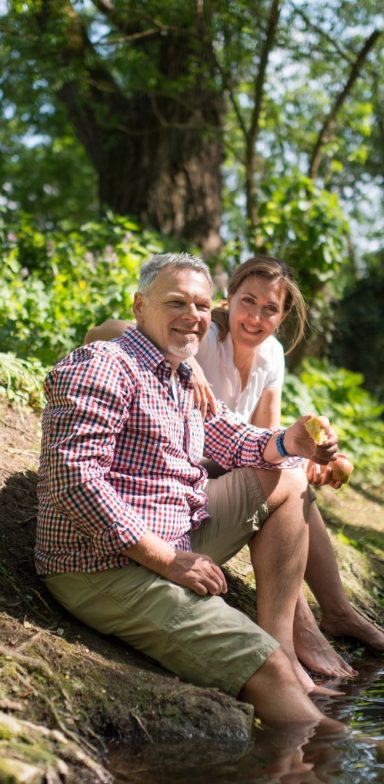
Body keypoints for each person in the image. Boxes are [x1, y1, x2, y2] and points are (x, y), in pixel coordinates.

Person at [36, 252, 343, 730]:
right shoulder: (103, 365)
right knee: (267, 666)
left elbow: (229, 436)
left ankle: (285, 639)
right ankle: (343, 749)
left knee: (287, 477)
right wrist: (167, 560)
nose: (193, 316)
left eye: (201, 305)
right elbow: (75, 480)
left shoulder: (179, 374)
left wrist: (289, 442)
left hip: (173, 529)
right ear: (139, 307)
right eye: (176, 302)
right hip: (101, 564)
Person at [85, 255, 384, 677]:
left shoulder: (272, 356)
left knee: (293, 479)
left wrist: (310, 456)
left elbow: (265, 436)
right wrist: (186, 362)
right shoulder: (200, 334)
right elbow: (103, 332)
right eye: (248, 301)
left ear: (283, 318)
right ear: (227, 300)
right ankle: (305, 627)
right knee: (284, 482)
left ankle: (333, 613)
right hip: (183, 472)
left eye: (270, 309)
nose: (256, 317)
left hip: (230, 464)